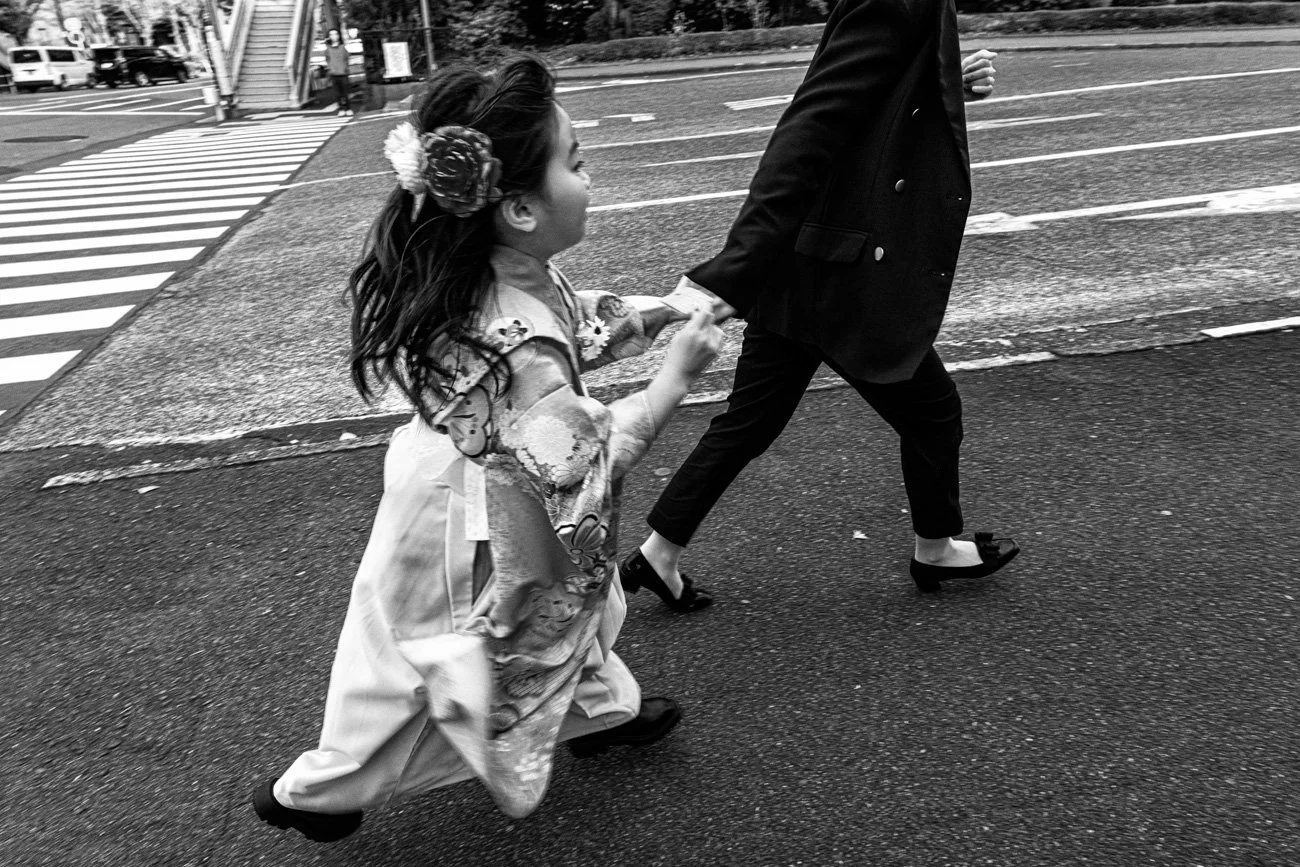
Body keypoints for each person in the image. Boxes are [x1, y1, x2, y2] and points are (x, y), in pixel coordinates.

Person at [252, 56, 723, 840]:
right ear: (519, 208)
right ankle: (317, 789)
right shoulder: (516, 332)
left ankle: (600, 712)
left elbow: (583, 323)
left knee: (568, 605)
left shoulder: (499, 272)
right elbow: (581, 464)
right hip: (467, 512)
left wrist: (665, 310)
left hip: (468, 480)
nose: (587, 173)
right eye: (573, 163)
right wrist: (675, 378)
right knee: (431, 663)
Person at [618, 6, 1018, 611]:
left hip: (809, 255)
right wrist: (736, 267)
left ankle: (658, 554)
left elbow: (865, 109)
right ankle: (934, 547)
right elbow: (812, 124)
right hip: (846, 272)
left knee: (748, 422)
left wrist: (943, 82)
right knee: (933, 412)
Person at [324, 28, 352, 117]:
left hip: (343, 73)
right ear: (329, 37)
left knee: (345, 92)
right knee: (337, 93)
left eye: (335, 34)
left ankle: (348, 108)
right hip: (334, 74)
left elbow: (346, 58)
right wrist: (331, 69)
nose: (334, 36)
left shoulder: (342, 47)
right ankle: (341, 108)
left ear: (338, 36)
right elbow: (328, 60)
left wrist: (345, 69)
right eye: (331, 34)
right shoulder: (328, 49)